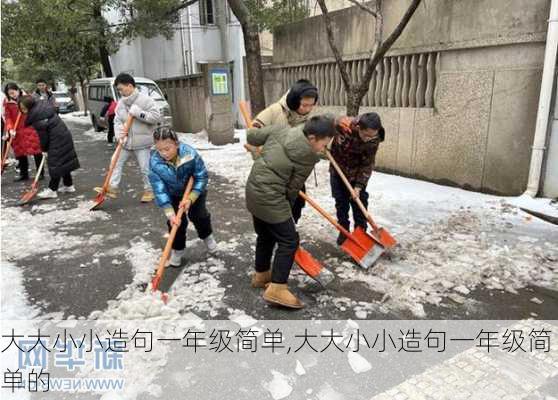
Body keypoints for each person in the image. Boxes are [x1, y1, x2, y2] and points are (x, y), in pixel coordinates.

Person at [245, 114, 336, 309]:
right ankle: (277, 288)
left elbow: (252, 137)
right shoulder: (307, 156)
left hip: (253, 190)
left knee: (266, 234)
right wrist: (287, 214)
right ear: (312, 138)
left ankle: (261, 275)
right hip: (271, 197)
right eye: (324, 143)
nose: (324, 149)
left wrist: (255, 128)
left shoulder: (281, 129)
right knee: (289, 240)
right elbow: (292, 189)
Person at [248, 79, 320, 224]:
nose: (308, 109)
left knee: (298, 203)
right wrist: (258, 156)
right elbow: (253, 134)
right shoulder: (275, 111)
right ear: (294, 101)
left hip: (294, 172)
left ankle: (289, 229)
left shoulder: (306, 119)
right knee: (275, 207)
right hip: (274, 173)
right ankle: (279, 236)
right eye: (305, 105)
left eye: (311, 105)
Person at [149, 128, 217, 267]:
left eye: (167, 149)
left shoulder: (190, 154)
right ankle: (177, 250)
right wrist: (169, 212)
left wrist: (191, 198)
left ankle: (207, 237)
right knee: (176, 223)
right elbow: (159, 189)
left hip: (194, 191)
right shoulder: (155, 163)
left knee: (199, 216)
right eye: (160, 150)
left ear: (177, 144)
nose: (164, 153)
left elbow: (201, 177)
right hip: (172, 194)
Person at [95, 73, 161, 203]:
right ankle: (112, 187)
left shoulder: (145, 100)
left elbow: (156, 118)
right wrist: (120, 135)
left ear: (130, 86)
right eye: (118, 90)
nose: (119, 92)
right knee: (115, 161)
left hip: (142, 142)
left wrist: (139, 113)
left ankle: (150, 190)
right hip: (125, 142)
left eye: (121, 89)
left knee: (145, 168)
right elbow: (117, 121)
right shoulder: (121, 103)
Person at [329, 113, 385, 245]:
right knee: (341, 203)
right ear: (358, 128)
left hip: (357, 173)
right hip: (338, 170)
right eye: (365, 135)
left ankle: (361, 234)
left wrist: (358, 187)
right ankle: (344, 232)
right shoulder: (344, 125)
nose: (368, 139)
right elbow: (326, 122)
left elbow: (367, 164)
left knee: (360, 204)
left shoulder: (374, 139)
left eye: (372, 136)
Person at [18, 95, 80, 198]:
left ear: (29, 107)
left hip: (56, 139)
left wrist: (44, 149)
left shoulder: (36, 116)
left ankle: (52, 189)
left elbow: (43, 136)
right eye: (21, 109)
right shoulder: (41, 108)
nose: (23, 111)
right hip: (63, 135)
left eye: (24, 109)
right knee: (63, 161)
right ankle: (69, 185)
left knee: (55, 164)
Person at [3, 83, 44, 181]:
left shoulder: (27, 98)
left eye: (13, 93)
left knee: (36, 150)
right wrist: (10, 128)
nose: (12, 95)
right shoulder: (7, 102)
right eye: (10, 94)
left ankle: (40, 173)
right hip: (17, 130)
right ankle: (24, 174)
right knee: (20, 152)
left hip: (30, 127)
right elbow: (8, 116)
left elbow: (35, 111)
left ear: (18, 90)